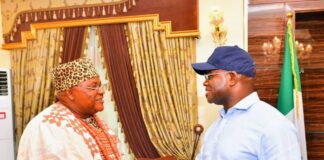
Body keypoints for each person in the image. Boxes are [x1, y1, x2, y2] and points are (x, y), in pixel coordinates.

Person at [192, 46, 301, 160]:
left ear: (232, 77)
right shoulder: (215, 126)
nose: (205, 83)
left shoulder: (272, 125)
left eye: (209, 76)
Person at [17, 58, 120, 160]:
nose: (102, 91)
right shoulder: (48, 127)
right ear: (70, 93)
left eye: (100, 86)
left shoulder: (91, 118)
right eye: (93, 87)